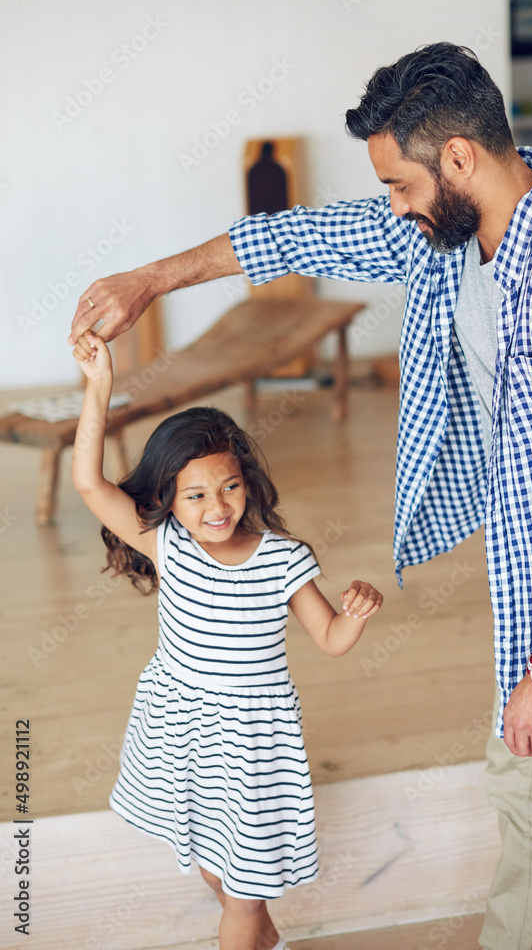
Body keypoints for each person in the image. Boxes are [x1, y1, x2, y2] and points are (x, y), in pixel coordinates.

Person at [68, 43, 532, 949]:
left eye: (395, 184)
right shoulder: (454, 232)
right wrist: (149, 280)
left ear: (456, 159)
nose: (389, 205)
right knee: (527, 811)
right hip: (531, 608)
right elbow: (293, 235)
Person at [71, 330, 383, 950]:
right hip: (180, 732)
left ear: (248, 480)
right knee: (218, 870)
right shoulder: (167, 544)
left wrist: (357, 611)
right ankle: (266, 940)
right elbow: (88, 482)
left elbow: (329, 638)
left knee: (244, 889)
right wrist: (99, 387)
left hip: (251, 745)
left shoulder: (283, 559)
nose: (217, 507)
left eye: (230, 486)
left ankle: (255, 935)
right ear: (166, 500)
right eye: (195, 495)